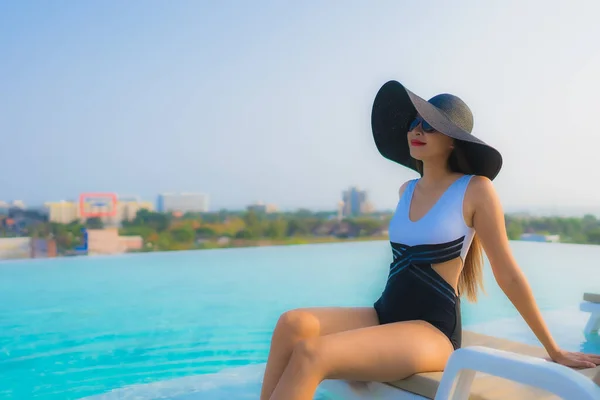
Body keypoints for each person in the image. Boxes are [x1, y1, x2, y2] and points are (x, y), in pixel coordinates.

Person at [259, 80, 600, 400]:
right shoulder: (406, 190)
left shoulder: (476, 189)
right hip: (385, 314)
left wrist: (554, 349)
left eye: (431, 125)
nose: (417, 130)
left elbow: (507, 273)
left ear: (453, 140)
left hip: (432, 331)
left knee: (312, 352)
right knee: (292, 324)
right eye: (414, 123)